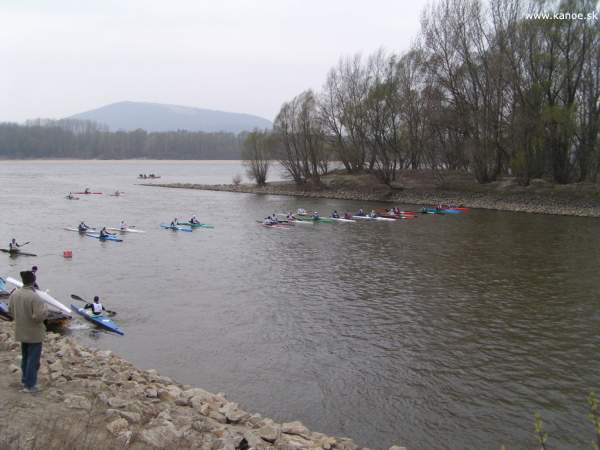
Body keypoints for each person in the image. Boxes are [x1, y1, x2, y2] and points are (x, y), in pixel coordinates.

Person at [8, 271, 48, 393]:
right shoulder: (35, 297)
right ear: (33, 281)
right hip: (34, 333)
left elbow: (10, 311)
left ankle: (25, 380)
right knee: (33, 359)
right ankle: (30, 386)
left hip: (21, 329)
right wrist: (46, 311)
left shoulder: (15, 294)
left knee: (25, 357)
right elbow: (39, 317)